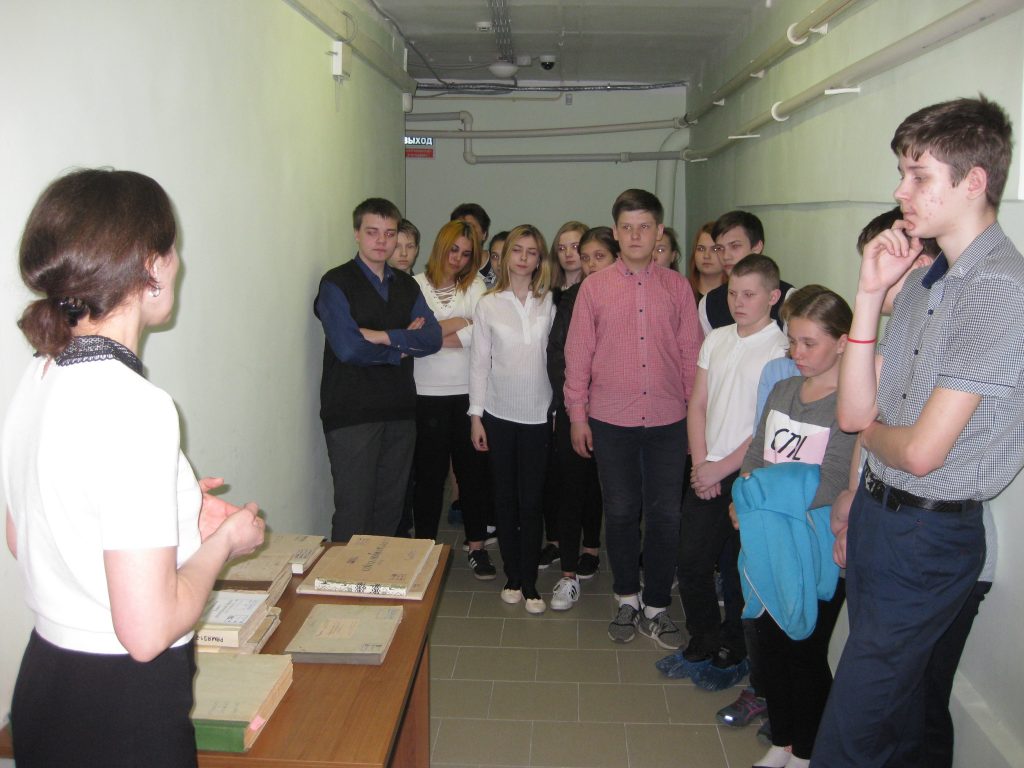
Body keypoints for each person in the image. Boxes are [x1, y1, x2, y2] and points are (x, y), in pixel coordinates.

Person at [3, 169, 266, 768]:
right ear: (151, 267)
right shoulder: (138, 407)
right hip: (120, 711)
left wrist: (176, 508)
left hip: (45, 688)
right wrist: (224, 542)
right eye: (173, 251)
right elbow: (146, 633)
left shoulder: (39, 374)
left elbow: (27, 535)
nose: (179, 263)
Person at [816, 95, 1024, 767]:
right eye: (903, 174)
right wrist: (869, 292)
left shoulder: (999, 286)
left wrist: (875, 432)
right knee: (896, 719)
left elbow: (924, 451)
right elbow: (853, 414)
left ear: (973, 182)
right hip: (881, 517)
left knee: (851, 729)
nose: (900, 192)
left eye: (918, 175)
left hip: (928, 535)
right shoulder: (930, 278)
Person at [564, 188, 701, 647]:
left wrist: (694, 424)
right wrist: (578, 416)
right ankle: (626, 597)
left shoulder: (677, 288)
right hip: (610, 421)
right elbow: (578, 356)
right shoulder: (594, 287)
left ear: (659, 231)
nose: (636, 235)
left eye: (645, 227)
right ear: (615, 232)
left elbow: (691, 357)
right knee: (621, 512)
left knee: (665, 515)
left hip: (668, 420)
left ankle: (657, 604)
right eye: (627, 227)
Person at [735, 287, 856, 768]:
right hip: (767, 539)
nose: (797, 353)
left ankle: (808, 750)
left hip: (815, 546)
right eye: (792, 342)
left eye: (809, 343)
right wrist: (745, 498)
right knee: (769, 646)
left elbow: (830, 481)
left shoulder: (849, 405)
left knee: (804, 649)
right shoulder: (785, 390)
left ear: (842, 342)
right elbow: (755, 455)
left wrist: (759, 497)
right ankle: (783, 740)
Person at [673, 254, 787, 689]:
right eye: (733, 293)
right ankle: (702, 638)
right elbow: (698, 403)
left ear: (773, 297)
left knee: (741, 570)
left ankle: (734, 649)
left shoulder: (781, 350)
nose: (738, 302)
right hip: (707, 470)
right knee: (691, 562)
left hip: (748, 475)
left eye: (749, 294)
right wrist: (701, 463)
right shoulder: (717, 339)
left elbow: (767, 426)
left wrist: (721, 468)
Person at [314, 198, 441, 542]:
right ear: (357, 233)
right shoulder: (336, 283)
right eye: (372, 232)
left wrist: (384, 336)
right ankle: (343, 578)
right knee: (354, 512)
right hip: (352, 413)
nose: (382, 241)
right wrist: (401, 348)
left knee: (390, 511)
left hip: (400, 411)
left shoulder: (407, 286)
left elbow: (432, 338)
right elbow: (349, 348)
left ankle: (379, 577)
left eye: (389, 233)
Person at [469, 224, 555, 614]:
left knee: (532, 501)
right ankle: (513, 577)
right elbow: (479, 364)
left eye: (531, 252)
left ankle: (532, 582)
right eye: (517, 250)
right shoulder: (488, 303)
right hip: (498, 415)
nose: (523, 257)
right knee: (504, 499)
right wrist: (476, 416)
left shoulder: (549, 302)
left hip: (538, 416)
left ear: (539, 260)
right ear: (504, 258)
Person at [410, 221, 494, 578]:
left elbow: (482, 335)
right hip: (424, 394)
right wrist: (460, 320)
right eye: (453, 249)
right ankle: (425, 551)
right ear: (440, 246)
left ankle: (476, 547)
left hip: (467, 396)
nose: (458, 258)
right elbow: (409, 338)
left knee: (472, 476)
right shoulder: (414, 285)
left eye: (466, 253)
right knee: (428, 479)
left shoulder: (475, 286)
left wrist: (430, 336)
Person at [546, 226, 619, 610]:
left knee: (603, 488)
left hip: (617, 412)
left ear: (617, 258)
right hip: (576, 408)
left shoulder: (629, 296)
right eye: (585, 257)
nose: (590, 265)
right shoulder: (572, 297)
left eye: (599, 257)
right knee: (571, 487)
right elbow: (557, 354)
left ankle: (596, 552)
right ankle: (568, 574)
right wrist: (572, 405)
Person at [540, 220, 589, 571]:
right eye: (562, 247)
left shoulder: (595, 291)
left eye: (576, 247)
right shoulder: (548, 294)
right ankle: (555, 541)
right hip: (547, 395)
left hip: (582, 397)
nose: (569, 254)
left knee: (585, 478)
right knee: (553, 474)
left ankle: (591, 547)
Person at [698, 211, 793, 334]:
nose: (725, 256)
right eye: (720, 248)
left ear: (757, 247)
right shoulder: (708, 304)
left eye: (735, 246)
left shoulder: (789, 299)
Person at [450, 202, 493, 285]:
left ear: (484, 234)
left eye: (471, 227)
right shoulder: (448, 265)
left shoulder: (498, 264)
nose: (465, 233)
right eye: (459, 228)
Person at [686, 221, 725, 300]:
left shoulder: (735, 294)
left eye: (714, 249)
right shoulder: (681, 291)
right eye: (701, 249)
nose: (706, 256)